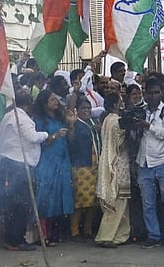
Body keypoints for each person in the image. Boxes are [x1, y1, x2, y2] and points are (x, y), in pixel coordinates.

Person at [0, 88, 50, 251]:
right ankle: (16, 239)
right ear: (28, 104)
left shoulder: (8, 116)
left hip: (10, 162)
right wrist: (46, 135)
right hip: (20, 165)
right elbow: (32, 137)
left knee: (13, 203)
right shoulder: (22, 118)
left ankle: (11, 237)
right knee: (20, 204)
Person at [135, 76, 164, 248]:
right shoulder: (141, 110)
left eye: (157, 92)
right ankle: (153, 235)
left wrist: (148, 126)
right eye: (150, 93)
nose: (153, 96)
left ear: (162, 93)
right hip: (144, 161)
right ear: (145, 95)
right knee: (147, 202)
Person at [31, 90, 74, 245]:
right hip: (48, 160)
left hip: (62, 159)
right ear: (44, 103)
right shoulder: (39, 120)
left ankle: (55, 234)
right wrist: (56, 135)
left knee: (60, 197)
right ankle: (43, 235)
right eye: (52, 99)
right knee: (46, 197)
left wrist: (70, 123)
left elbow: (70, 138)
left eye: (56, 99)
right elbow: (40, 141)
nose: (56, 102)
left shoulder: (60, 118)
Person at [96, 93, 131, 248]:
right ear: (116, 104)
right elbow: (120, 144)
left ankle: (120, 235)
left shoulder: (106, 119)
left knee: (119, 201)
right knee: (118, 202)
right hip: (117, 163)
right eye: (120, 101)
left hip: (108, 160)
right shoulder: (117, 121)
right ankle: (106, 236)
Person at [68, 97, 102, 241]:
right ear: (77, 110)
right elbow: (70, 141)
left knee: (93, 202)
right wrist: (71, 126)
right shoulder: (75, 124)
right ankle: (75, 231)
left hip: (95, 165)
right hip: (82, 166)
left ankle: (87, 230)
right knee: (80, 201)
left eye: (88, 108)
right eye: (83, 108)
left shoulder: (94, 123)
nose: (87, 111)